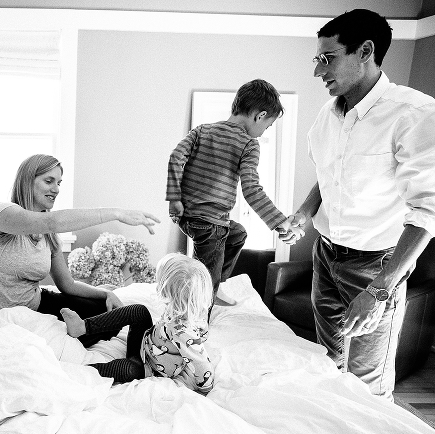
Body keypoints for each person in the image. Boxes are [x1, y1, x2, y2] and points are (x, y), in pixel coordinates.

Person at [289, 9, 435, 400]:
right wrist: (305, 213)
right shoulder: (326, 114)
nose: (319, 72)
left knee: (367, 384)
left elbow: (427, 213)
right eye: (317, 60)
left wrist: (380, 290)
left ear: (365, 51)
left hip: (376, 265)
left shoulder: (415, 114)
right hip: (325, 255)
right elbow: (328, 177)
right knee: (329, 364)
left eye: (328, 58)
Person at [0, 154, 160, 346]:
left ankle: (76, 331)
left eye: (59, 182)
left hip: (36, 303)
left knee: (109, 313)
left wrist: (105, 294)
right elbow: (52, 222)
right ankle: (67, 337)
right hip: (0, 316)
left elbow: (67, 284)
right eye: (49, 181)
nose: (56, 189)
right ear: (27, 181)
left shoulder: (49, 235)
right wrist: (117, 213)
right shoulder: (1, 214)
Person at [166, 79, 303, 307]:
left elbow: (175, 158)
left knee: (237, 233)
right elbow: (251, 190)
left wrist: (175, 200)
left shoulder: (202, 131)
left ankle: (215, 285)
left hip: (187, 218)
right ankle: (195, 325)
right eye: (267, 126)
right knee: (204, 287)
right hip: (211, 224)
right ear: (260, 116)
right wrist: (281, 222)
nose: (262, 133)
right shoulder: (248, 144)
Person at [62, 252, 215, 395]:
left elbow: (202, 364)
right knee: (139, 311)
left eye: (159, 284)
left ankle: (79, 372)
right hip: (145, 343)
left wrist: (205, 389)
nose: (156, 287)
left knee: (129, 370)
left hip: (148, 367)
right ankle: (82, 327)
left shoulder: (185, 332)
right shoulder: (179, 309)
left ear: (169, 295)